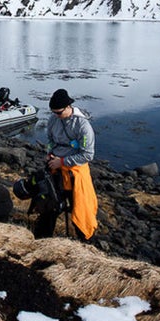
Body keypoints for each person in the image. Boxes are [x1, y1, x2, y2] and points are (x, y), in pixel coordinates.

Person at [34, 88, 98, 240]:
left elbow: (88, 155)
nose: (56, 116)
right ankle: (42, 240)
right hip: (56, 171)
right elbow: (50, 140)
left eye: (59, 112)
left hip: (76, 175)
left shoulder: (83, 126)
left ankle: (85, 241)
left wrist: (62, 162)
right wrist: (49, 153)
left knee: (81, 209)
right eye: (54, 112)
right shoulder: (53, 119)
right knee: (50, 207)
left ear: (69, 107)